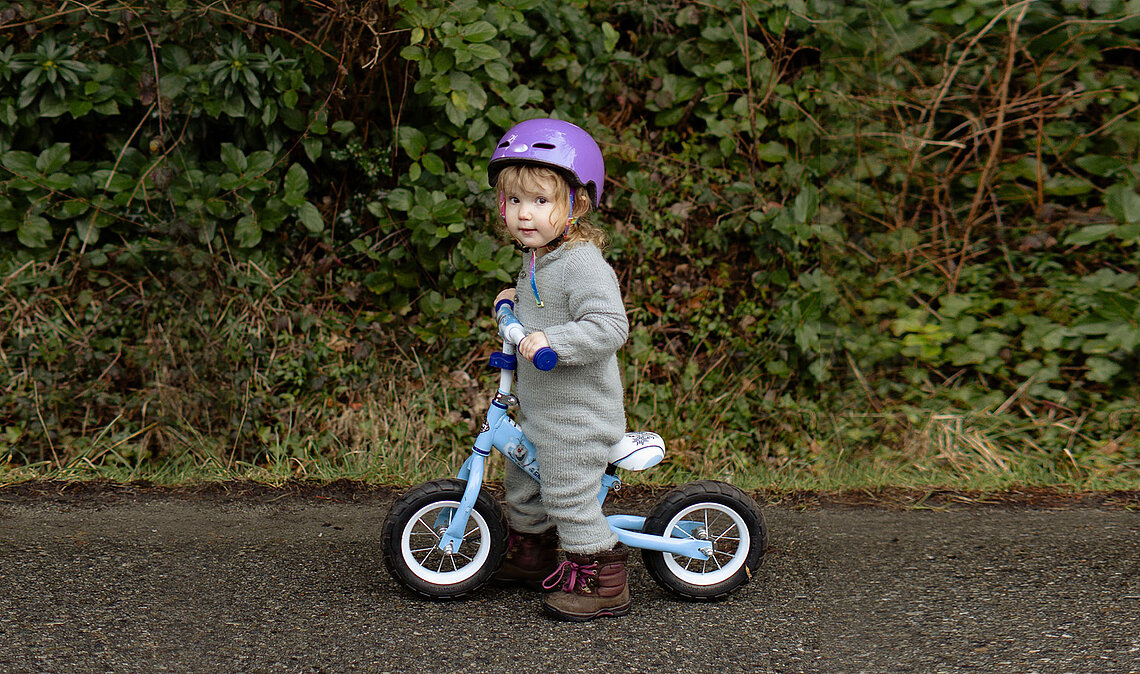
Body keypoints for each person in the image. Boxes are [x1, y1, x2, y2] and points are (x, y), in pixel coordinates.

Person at [486, 118, 630, 621]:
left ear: (577, 203)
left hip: (579, 416)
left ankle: (602, 576)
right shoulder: (537, 259)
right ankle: (533, 554)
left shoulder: (582, 263)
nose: (525, 215)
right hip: (541, 410)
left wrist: (554, 340)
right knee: (523, 483)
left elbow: (610, 326)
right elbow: (538, 309)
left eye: (541, 201)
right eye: (515, 201)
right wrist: (513, 305)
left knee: (567, 491)